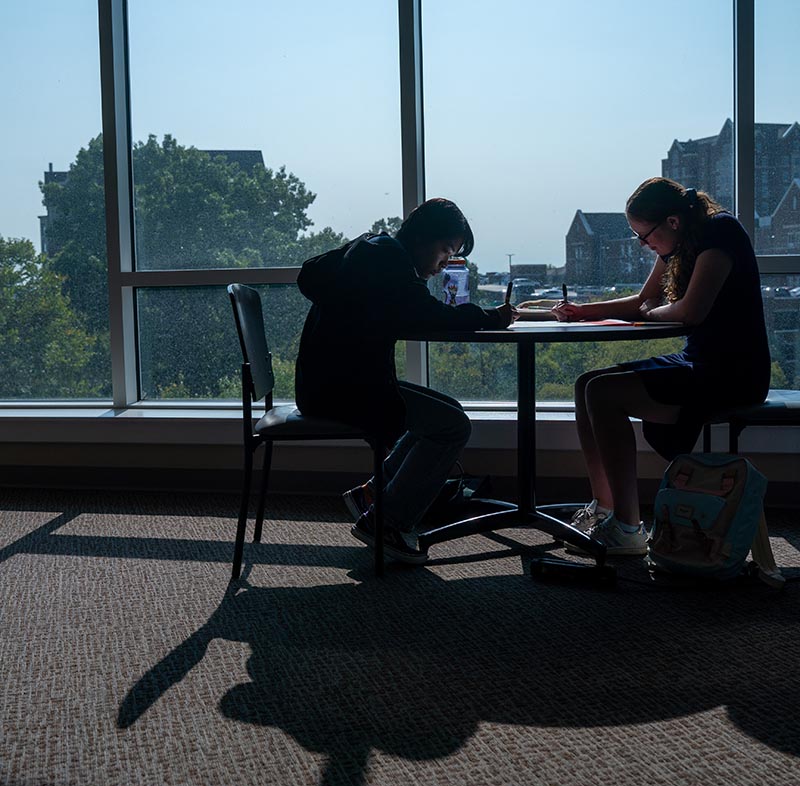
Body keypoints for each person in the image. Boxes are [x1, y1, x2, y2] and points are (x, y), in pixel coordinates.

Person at [554, 177, 770, 556]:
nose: (642, 243)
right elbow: (644, 300)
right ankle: (605, 509)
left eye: (644, 234)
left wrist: (652, 311)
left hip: (733, 371)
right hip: (700, 358)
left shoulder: (720, 234)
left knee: (601, 392)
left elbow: (690, 310)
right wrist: (579, 312)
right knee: (586, 382)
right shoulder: (681, 241)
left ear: (672, 221)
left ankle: (627, 527)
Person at [295, 198, 515, 564]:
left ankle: (373, 494)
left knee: (448, 412)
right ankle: (387, 520)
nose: (445, 262)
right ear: (424, 238)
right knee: (452, 427)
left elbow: (401, 308)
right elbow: (425, 313)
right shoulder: (387, 259)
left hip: (328, 383)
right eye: (445, 250)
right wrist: (492, 317)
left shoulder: (370, 250)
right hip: (343, 391)